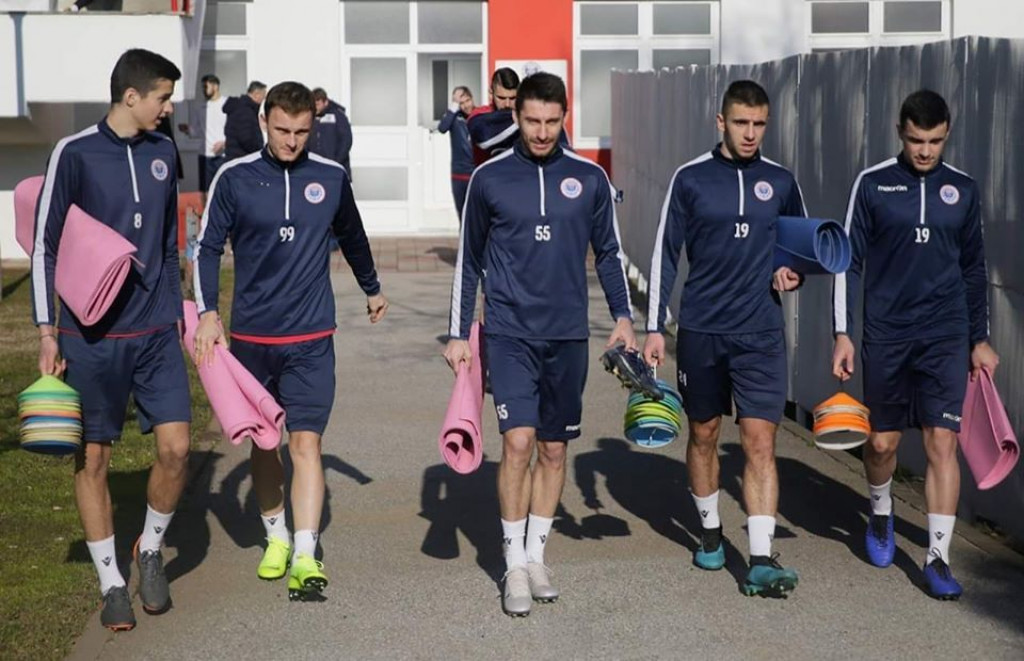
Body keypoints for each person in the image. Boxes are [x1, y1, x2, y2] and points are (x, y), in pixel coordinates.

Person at [445, 72, 635, 617]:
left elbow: (610, 251)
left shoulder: (590, 179)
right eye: (532, 120)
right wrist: (460, 333)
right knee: (520, 443)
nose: (543, 132)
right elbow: (469, 260)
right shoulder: (489, 178)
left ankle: (535, 557)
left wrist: (623, 316)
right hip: (508, 333)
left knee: (554, 448)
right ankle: (511, 566)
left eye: (553, 121)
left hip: (568, 335)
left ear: (564, 117)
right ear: (516, 117)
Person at [192, 81, 388, 602]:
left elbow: (353, 234)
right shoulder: (234, 178)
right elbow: (206, 249)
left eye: (302, 131)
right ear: (264, 121)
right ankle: (274, 535)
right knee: (264, 444)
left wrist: (372, 287)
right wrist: (208, 314)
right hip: (252, 339)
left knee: (306, 443)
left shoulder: (330, 176)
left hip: (311, 337)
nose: (292, 141)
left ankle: (305, 551)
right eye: (283, 130)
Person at [31, 48, 191, 631]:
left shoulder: (163, 150)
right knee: (94, 456)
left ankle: (148, 548)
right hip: (89, 336)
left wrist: (176, 314)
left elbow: (169, 244)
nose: (168, 107)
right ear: (131, 96)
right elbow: (46, 245)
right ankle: (110, 582)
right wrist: (48, 331)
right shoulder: (73, 153)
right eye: (163, 97)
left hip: (154, 332)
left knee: (176, 448)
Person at [831, 89, 998, 600]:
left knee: (941, 443)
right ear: (900, 132)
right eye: (916, 140)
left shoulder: (963, 191)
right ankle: (881, 513)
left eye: (935, 141)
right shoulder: (874, 184)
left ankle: (938, 558)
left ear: (947, 134)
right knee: (882, 444)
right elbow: (847, 261)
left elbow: (974, 268)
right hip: (886, 333)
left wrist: (980, 338)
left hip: (944, 337)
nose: (925, 151)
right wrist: (843, 332)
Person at [642, 80, 806, 598]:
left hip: (760, 332)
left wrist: (791, 272)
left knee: (760, 441)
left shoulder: (780, 181)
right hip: (702, 330)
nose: (751, 133)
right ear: (721, 122)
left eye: (759, 124)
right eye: (741, 123)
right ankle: (710, 533)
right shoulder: (690, 179)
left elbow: (799, 248)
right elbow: (665, 253)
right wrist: (654, 327)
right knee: (705, 434)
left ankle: (760, 557)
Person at [178, 73, 227, 199]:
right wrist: (188, 130)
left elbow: (235, 130)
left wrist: (225, 143)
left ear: (215, 86)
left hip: (222, 156)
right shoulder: (200, 107)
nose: (203, 90)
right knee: (204, 191)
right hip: (204, 156)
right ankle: (205, 217)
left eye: (206, 87)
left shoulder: (226, 105)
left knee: (223, 189)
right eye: (202, 87)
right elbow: (197, 132)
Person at [466, 67, 520, 165]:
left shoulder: (523, 116)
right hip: (488, 178)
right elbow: (484, 136)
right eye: (501, 98)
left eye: (512, 98)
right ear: (491, 93)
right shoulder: (478, 115)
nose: (507, 104)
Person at [436, 86, 475, 220]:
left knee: (477, 217)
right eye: (460, 103)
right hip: (459, 175)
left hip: (476, 174)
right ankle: (464, 242)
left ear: (472, 99)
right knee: (463, 218)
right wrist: (453, 106)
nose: (465, 105)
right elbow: (442, 128)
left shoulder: (480, 115)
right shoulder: (454, 118)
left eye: (467, 100)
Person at [309, 87, 353, 175]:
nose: (315, 108)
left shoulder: (338, 116)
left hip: (335, 167)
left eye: (318, 104)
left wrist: (336, 162)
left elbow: (346, 140)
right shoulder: (310, 116)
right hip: (314, 167)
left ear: (326, 102)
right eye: (313, 105)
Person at [223, 80, 267, 160]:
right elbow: (246, 138)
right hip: (241, 158)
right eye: (263, 96)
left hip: (237, 156)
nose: (263, 99)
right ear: (256, 94)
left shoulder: (241, 108)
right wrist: (258, 151)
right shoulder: (245, 111)